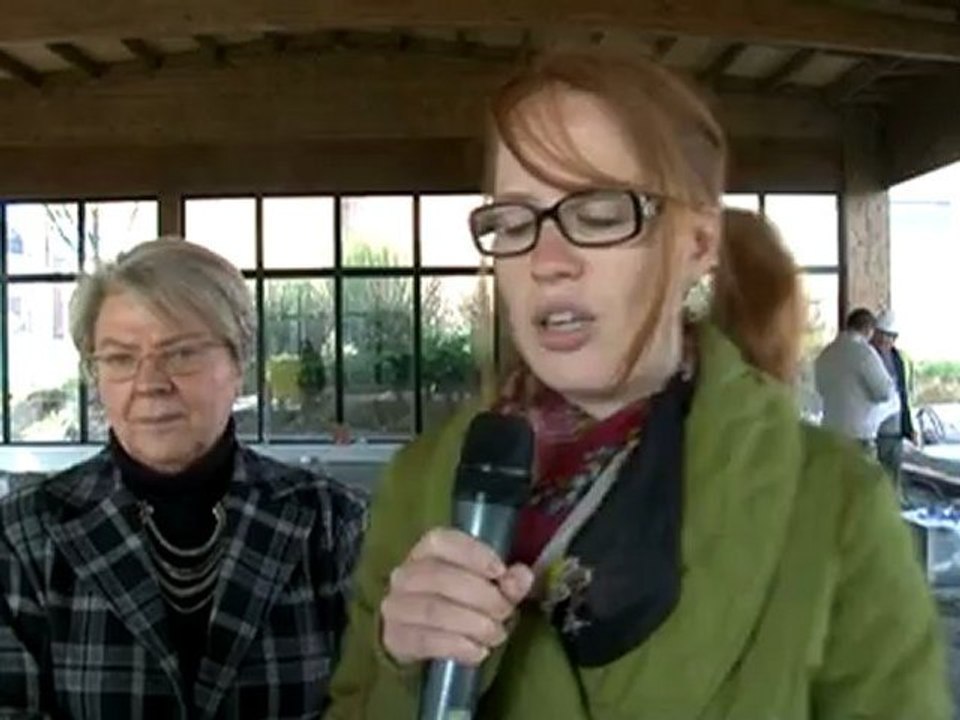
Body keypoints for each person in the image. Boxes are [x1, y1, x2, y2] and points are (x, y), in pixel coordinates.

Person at [327, 52, 950, 718]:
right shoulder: (421, 482)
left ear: (700, 243)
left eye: (599, 214)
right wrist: (404, 673)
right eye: (513, 222)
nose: (548, 261)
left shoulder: (834, 505)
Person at [0, 239, 367, 719]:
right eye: (119, 358)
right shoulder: (24, 534)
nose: (150, 382)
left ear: (238, 365)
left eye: (181, 354)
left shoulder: (332, 524)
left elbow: (373, 701)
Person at [814, 307, 897, 452]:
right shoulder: (864, 352)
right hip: (858, 435)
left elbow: (820, 388)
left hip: (829, 433)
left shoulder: (825, 353)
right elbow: (884, 392)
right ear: (868, 329)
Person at [872, 309, 917, 489]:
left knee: (893, 480)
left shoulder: (899, 359)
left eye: (889, 337)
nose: (884, 340)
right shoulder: (867, 356)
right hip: (874, 431)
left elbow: (904, 394)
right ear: (874, 334)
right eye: (881, 335)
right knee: (874, 479)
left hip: (894, 429)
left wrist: (909, 428)